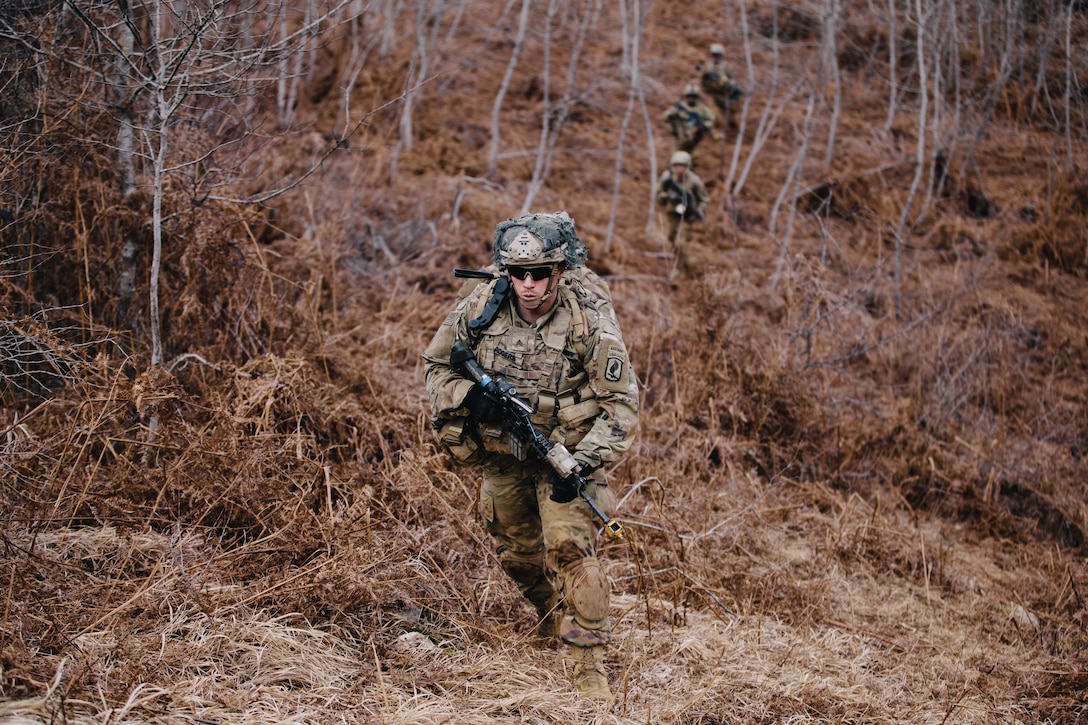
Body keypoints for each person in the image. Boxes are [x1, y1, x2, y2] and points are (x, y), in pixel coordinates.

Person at [423, 211, 639, 703]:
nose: (527, 284)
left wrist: (582, 462)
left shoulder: (588, 320)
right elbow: (437, 363)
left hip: (565, 452)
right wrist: (468, 398)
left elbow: (622, 405)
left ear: (560, 271)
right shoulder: (481, 307)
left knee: (572, 554)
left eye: (539, 273)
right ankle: (554, 620)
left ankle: (589, 671)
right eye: (517, 274)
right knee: (517, 556)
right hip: (504, 454)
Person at [655, 150, 709, 279]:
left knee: (681, 243)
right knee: (672, 240)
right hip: (673, 214)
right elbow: (658, 194)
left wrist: (699, 212)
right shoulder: (667, 178)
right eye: (677, 166)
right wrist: (669, 196)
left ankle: (678, 273)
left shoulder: (694, 181)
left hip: (688, 216)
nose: (680, 169)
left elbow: (704, 200)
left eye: (683, 166)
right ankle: (689, 265)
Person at [662, 83, 719, 159]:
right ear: (686, 96)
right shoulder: (679, 107)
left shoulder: (701, 109)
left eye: (694, 97)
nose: (691, 99)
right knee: (676, 160)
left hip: (693, 142)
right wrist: (675, 111)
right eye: (689, 96)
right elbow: (665, 117)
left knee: (693, 160)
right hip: (679, 140)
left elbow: (711, 119)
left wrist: (705, 124)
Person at [698, 43, 744, 127]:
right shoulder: (708, 66)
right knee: (716, 118)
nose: (716, 57)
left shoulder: (726, 66)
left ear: (721, 55)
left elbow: (732, 79)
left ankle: (731, 122)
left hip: (725, 92)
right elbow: (703, 80)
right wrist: (707, 78)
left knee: (732, 110)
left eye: (718, 55)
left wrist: (727, 83)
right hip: (714, 94)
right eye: (714, 55)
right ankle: (717, 135)